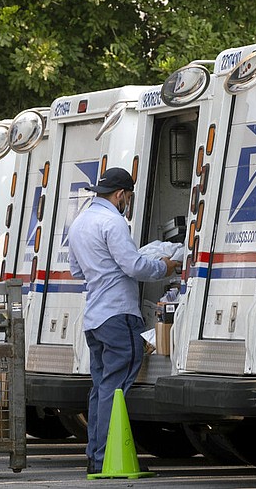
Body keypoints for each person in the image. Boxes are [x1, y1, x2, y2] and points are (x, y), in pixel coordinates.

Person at [67, 167, 181, 475]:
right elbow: (133, 266)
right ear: (121, 195)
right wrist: (166, 266)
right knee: (115, 389)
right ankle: (105, 458)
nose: (127, 202)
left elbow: (76, 271)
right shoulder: (113, 222)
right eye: (127, 197)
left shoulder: (80, 223)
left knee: (101, 387)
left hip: (94, 318)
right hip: (117, 314)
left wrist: (103, 271)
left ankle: (96, 455)